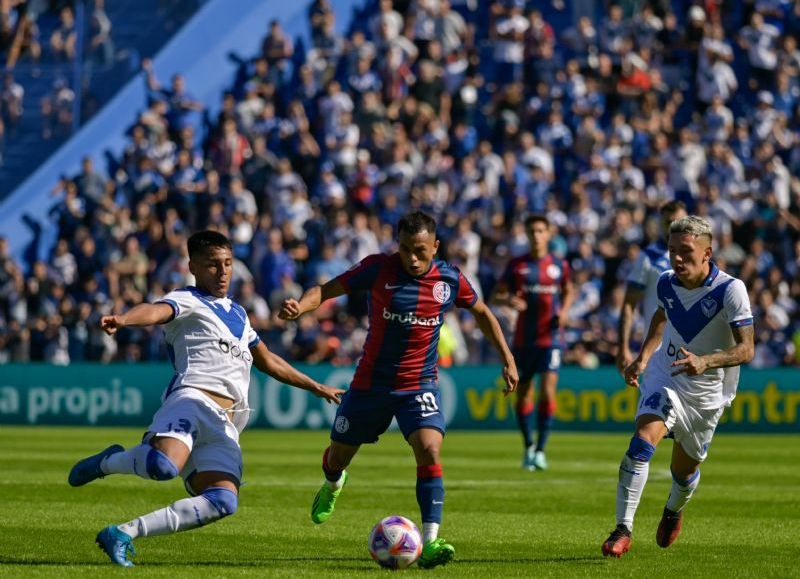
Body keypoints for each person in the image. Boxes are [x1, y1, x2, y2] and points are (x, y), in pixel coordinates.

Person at [68, 231, 344, 567]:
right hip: (192, 399)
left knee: (224, 501)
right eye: (213, 265)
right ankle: (107, 462)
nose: (223, 271)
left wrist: (316, 386)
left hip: (227, 423)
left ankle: (123, 533)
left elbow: (269, 361)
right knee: (163, 465)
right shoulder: (187, 299)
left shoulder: (240, 315)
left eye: (227, 263)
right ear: (194, 267)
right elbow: (155, 312)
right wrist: (125, 320)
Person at [278, 211, 519, 568]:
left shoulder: (449, 279)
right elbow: (327, 290)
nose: (413, 258)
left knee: (429, 449)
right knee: (337, 458)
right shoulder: (379, 268)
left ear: (435, 247)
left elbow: (482, 312)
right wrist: (301, 306)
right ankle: (332, 484)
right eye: (406, 249)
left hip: (418, 384)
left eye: (420, 250)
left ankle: (432, 541)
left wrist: (507, 357)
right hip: (370, 384)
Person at [602, 216, 754, 558]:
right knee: (642, 442)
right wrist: (642, 359)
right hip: (665, 377)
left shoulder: (731, 290)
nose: (677, 259)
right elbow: (660, 317)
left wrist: (706, 361)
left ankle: (673, 509)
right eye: (673, 251)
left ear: (707, 252)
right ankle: (622, 529)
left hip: (706, 393)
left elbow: (747, 349)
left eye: (686, 251)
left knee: (684, 472)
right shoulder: (666, 282)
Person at [491, 215, 574, 471]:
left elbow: (569, 290)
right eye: (532, 231)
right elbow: (496, 295)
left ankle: (541, 450)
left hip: (551, 340)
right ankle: (528, 445)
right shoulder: (517, 266)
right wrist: (508, 302)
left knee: (548, 391)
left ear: (548, 234)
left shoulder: (559, 265)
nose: (537, 235)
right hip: (524, 340)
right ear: (527, 234)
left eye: (541, 230)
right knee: (524, 394)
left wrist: (565, 312)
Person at [616, 201, 688, 375]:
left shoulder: (697, 257)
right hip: (656, 350)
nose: (672, 227)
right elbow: (629, 304)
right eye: (667, 222)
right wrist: (623, 346)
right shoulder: (648, 257)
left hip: (691, 348)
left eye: (677, 221)